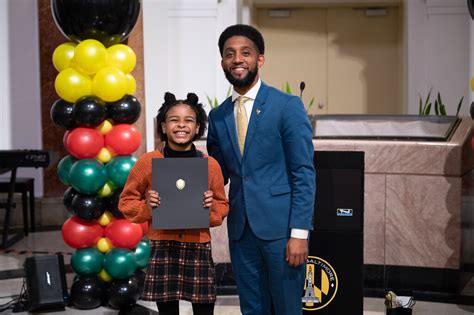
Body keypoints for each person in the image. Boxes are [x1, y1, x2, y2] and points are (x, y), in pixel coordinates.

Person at [207, 24, 316, 315]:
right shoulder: (217, 117)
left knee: (286, 308)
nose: (237, 59)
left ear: (260, 59)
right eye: (230, 54)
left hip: (282, 231)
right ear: (223, 63)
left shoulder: (286, 106)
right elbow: (219, 175)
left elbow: (303, 173)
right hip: (241, 231)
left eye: (246, 53)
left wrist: (299, 234)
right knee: (252, 309)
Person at [119, 92, 229, 315]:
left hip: (198, 244)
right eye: (174, 120)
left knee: (204, 309)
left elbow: (222, 203)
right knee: (167, 311)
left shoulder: (210, 165)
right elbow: (126, 201)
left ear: (198, 127)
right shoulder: (148, 162)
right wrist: (147, 209)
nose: (181, 125)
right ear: (163, 126)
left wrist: (210, 210)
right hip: (163, 246)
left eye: (189, 120)